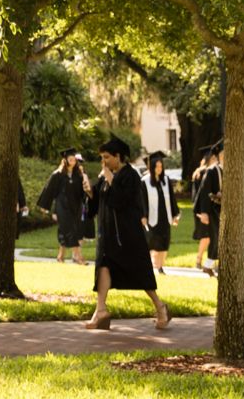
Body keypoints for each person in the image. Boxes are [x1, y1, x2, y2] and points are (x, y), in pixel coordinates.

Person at [81, 136, 168, 331]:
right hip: (108, 234)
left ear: (118, 156)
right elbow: (96, 205)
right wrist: (89, 193)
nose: (104, 162)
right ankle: (100, 311)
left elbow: (122, 201)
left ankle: (160, 307)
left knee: (140, 273)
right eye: (102, 158)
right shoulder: (105, 177)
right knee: (103, 267)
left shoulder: (131, 175)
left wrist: (111, 180)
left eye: (107, 157)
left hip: (128, 236)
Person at [38, 148, 91, 265]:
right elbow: (49, 191)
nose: (72, 160)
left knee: (66, 231)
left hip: (75, 207)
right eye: (70, 158)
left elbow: (83, 192)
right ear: (65, 159)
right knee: (71, 230)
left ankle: (60, 256)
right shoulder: (58, 174)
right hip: (62, 207)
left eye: (74, 158)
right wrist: (47, 207)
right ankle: (79, 257)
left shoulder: (78, 174)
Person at [141, 151, 178, 271]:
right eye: (157, 166)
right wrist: (143, 215)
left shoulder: (166, 180)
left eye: (161, 166)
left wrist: (175, 215)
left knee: (164, 243)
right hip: (152, 218)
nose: (159, 169)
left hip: (165, 217)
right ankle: (155, 266)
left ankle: (160, 266)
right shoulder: (145, 181)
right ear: (151, 167)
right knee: (154, 243)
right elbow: (142, 200)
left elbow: (172, 199)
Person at [193, 143, 223, 275]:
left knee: (222, 239)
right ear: (219, 156)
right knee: (215, 237)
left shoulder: (230, 171)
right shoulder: (212, 171)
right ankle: (208, 265)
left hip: (223, 210)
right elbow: (205, 193)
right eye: (224, 154)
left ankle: (212, 265)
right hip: (212, 210)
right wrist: (204, 212)